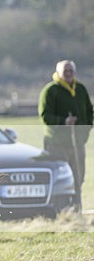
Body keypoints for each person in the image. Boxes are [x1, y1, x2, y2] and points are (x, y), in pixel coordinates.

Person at [39, 60, 93, 210]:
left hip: (77, 143)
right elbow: (45, 116)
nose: (68, 73)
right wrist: (63, 121)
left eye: (71, 71)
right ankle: (60, 211)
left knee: (78, 177)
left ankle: (77, 210)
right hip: (57, 144)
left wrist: (85, 129)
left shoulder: (80, 89)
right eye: (65, 71)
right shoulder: (50, 91)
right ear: (58, 72)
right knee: (61, 179)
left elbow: (89, 111)